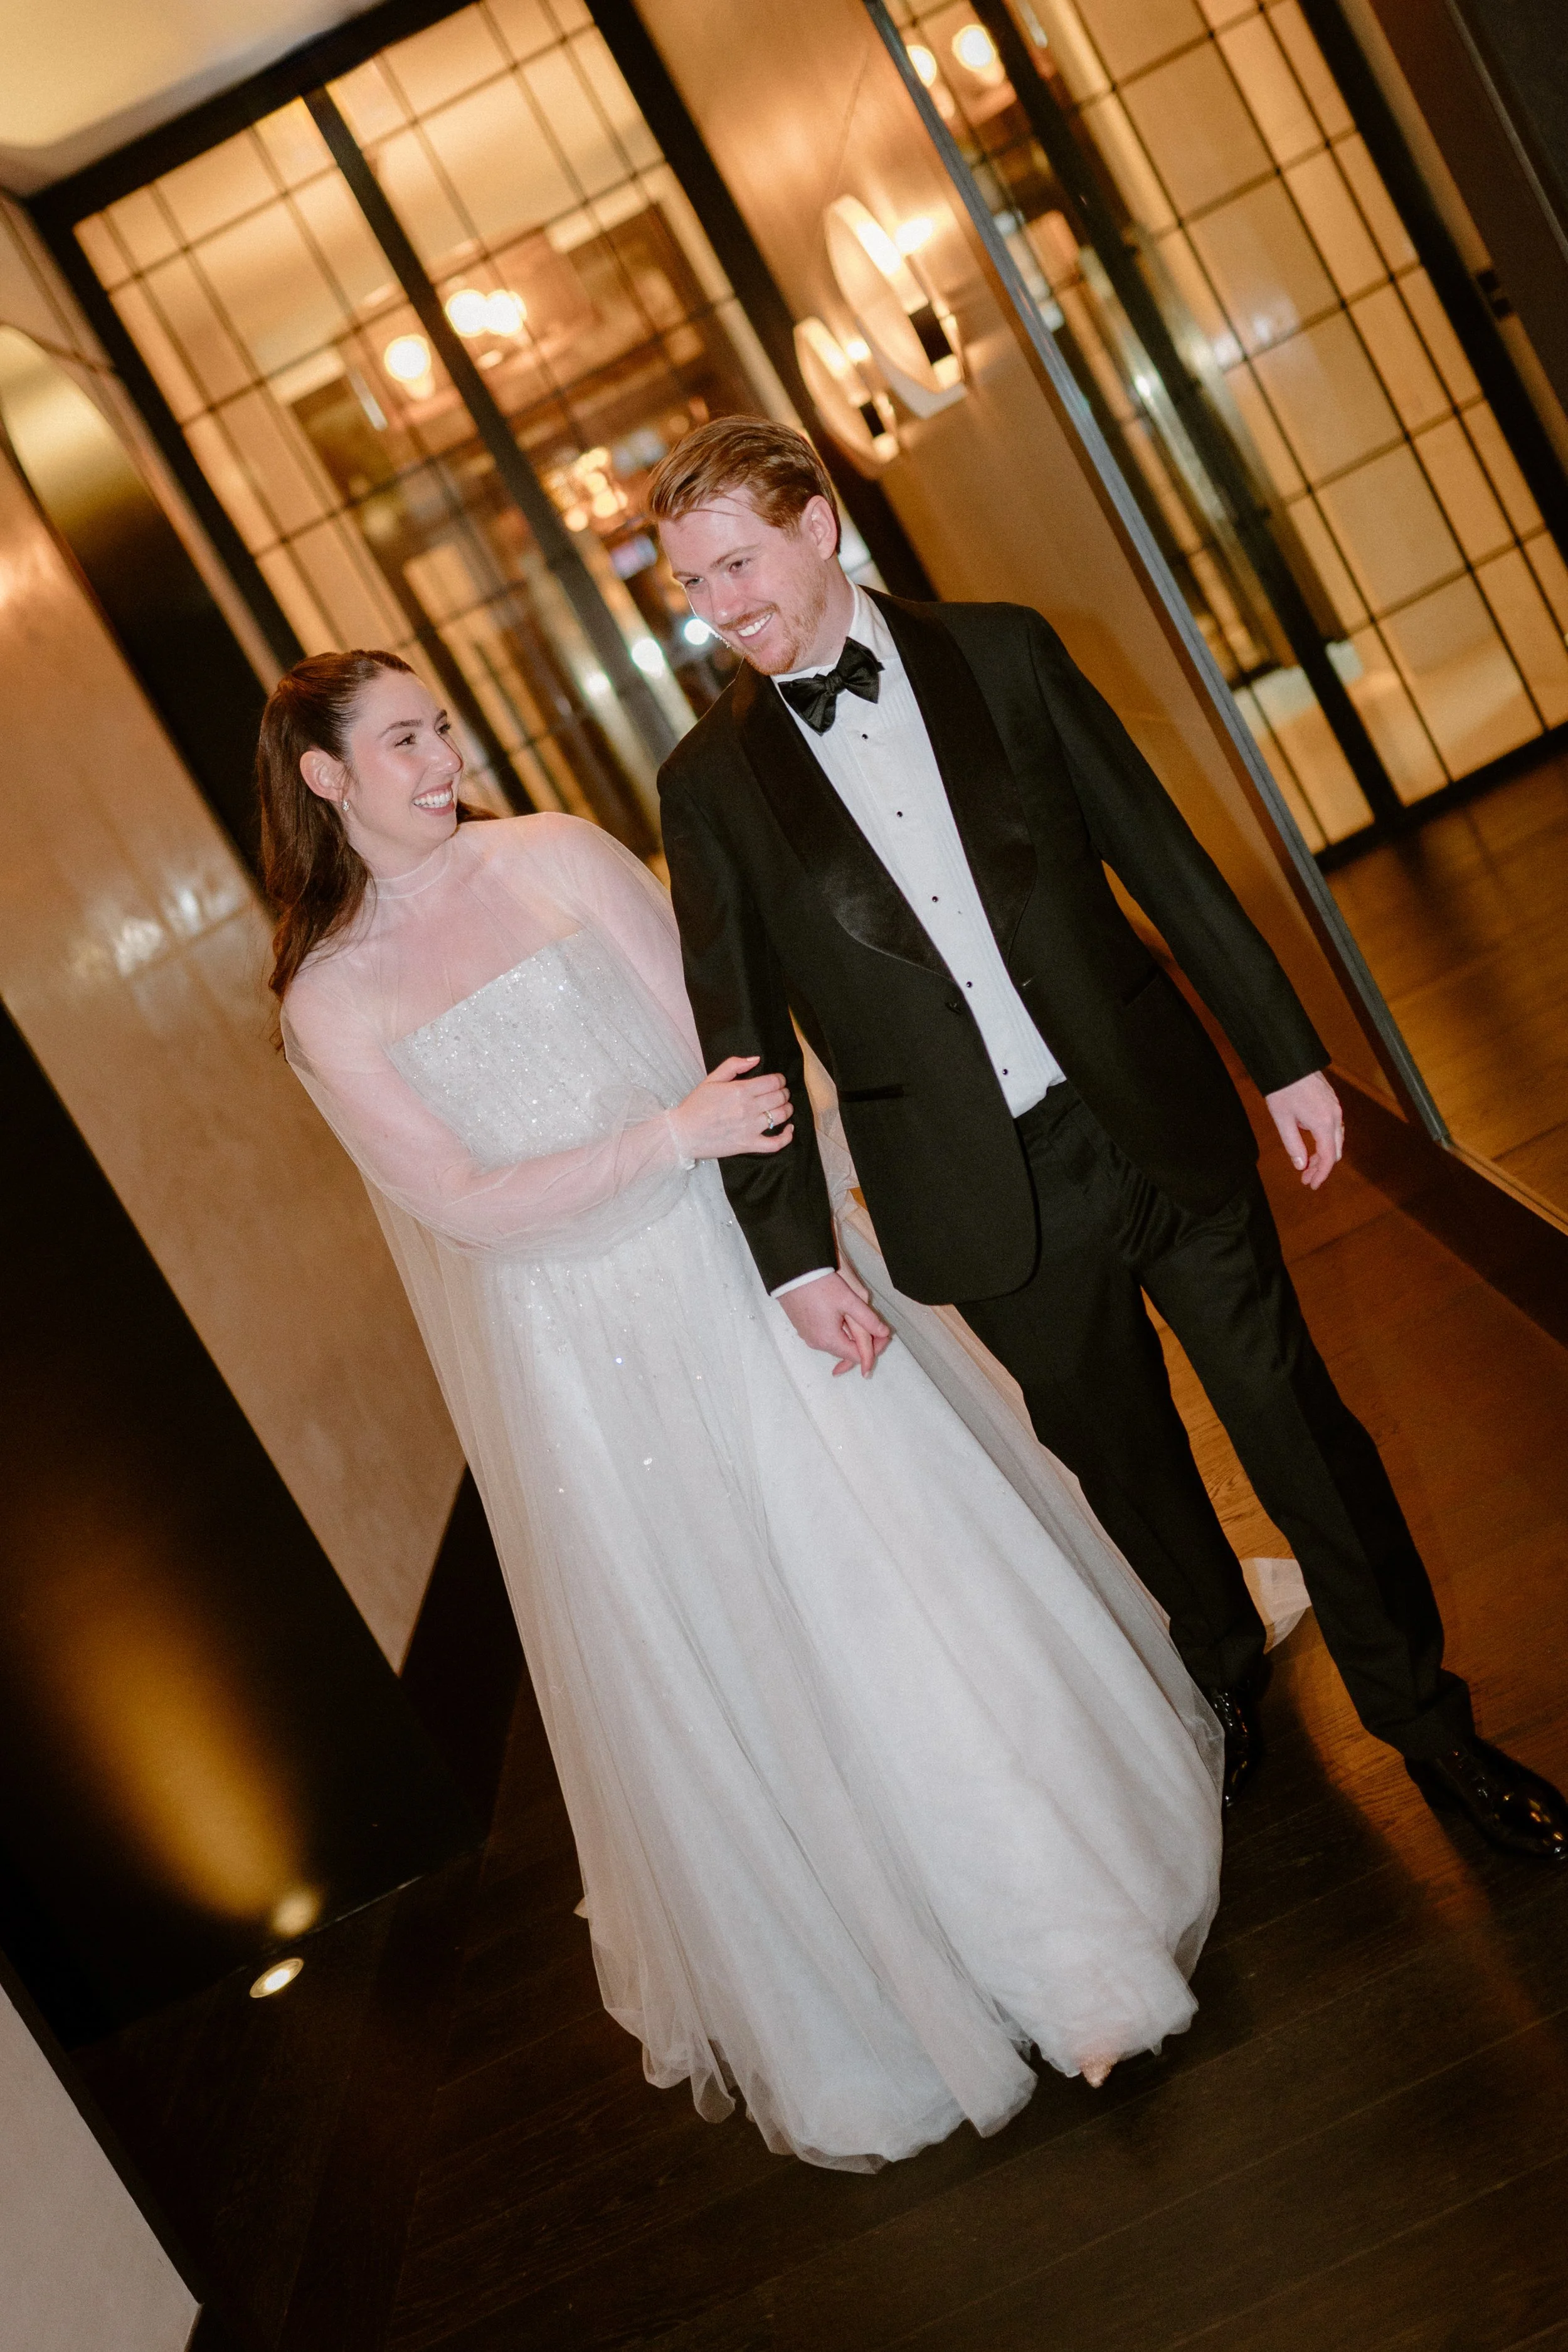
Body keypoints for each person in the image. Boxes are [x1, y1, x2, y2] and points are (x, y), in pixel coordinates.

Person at [260, 647, 1228, 2172]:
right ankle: (886, 1999)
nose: (441, 755)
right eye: (400, 741)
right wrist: (664, 1140)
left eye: (442, 723)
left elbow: (732, 1048)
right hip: (588, 1351)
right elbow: (454, 1201)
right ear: (323, 777)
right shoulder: (326, 997)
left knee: (886, 1590)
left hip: (743, 1276)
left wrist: (805, 1220)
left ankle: (1065, 1948)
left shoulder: (557, 855)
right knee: (743, 1652)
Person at [650, 415, 1567, 1865]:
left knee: (1294, 1429)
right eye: (691, 587)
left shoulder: (1003, 653)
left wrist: (1281, 1054)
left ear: (817, 527)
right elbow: (739, 1040)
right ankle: (1221, 1667)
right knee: (1128, 1467)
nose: (722, 609)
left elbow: (1159, 854)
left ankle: (1431, 1730)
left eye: (739, 564)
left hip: (1148, 1121)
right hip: (975, 1194)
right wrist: (786, 1253)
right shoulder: (708, 785)